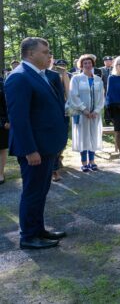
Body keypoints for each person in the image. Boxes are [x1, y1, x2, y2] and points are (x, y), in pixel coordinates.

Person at [5, 37, 68, 249]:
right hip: (34, 149)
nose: (49, 55)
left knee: (41, 191)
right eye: (45, 51)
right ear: (31, 54)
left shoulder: (40, 75)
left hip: (46, 146)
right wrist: (30, 150)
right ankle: (29, 237)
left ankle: (38, 229)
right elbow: (19, 119)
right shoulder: (19, 77)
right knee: (33, 192)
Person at [69, 54, 105, 172]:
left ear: (93, 64)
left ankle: (92, 161)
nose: (88, 65)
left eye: (89, 63)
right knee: (83, 137)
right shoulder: (76, 78)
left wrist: (96, 111)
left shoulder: (98, 79)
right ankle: (84, 162)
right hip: (81, 114)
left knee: (93, 136)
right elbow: (73, 95)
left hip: (94, 114)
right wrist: (84, 109)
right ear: (81, 65)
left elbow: (101, 98)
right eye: (85, 63)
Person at [50, 58, 71, 182]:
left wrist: (68, 110)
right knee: (53, 139)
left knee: (63, 138)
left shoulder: (62, 73)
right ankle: (55, 170)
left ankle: (58, 159)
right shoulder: (40, 72)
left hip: (62, 109)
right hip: (48, 111)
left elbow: (68, 93)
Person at [100, 56, 114, 125]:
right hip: (104, 90)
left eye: (109, 61)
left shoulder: (115, 69)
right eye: (106, 61)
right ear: (104, 62)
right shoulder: (100, 70)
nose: (108, 62)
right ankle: (107, 119)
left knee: (114, 104)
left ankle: (113, 118)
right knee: (106, 105)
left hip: (114, 90)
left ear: (112, 62)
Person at [0, 77, 9, 184]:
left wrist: (8, 120)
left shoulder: (2, 84)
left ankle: (0, 173)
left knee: (1, 149)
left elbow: (7, 103)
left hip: (1, 122)